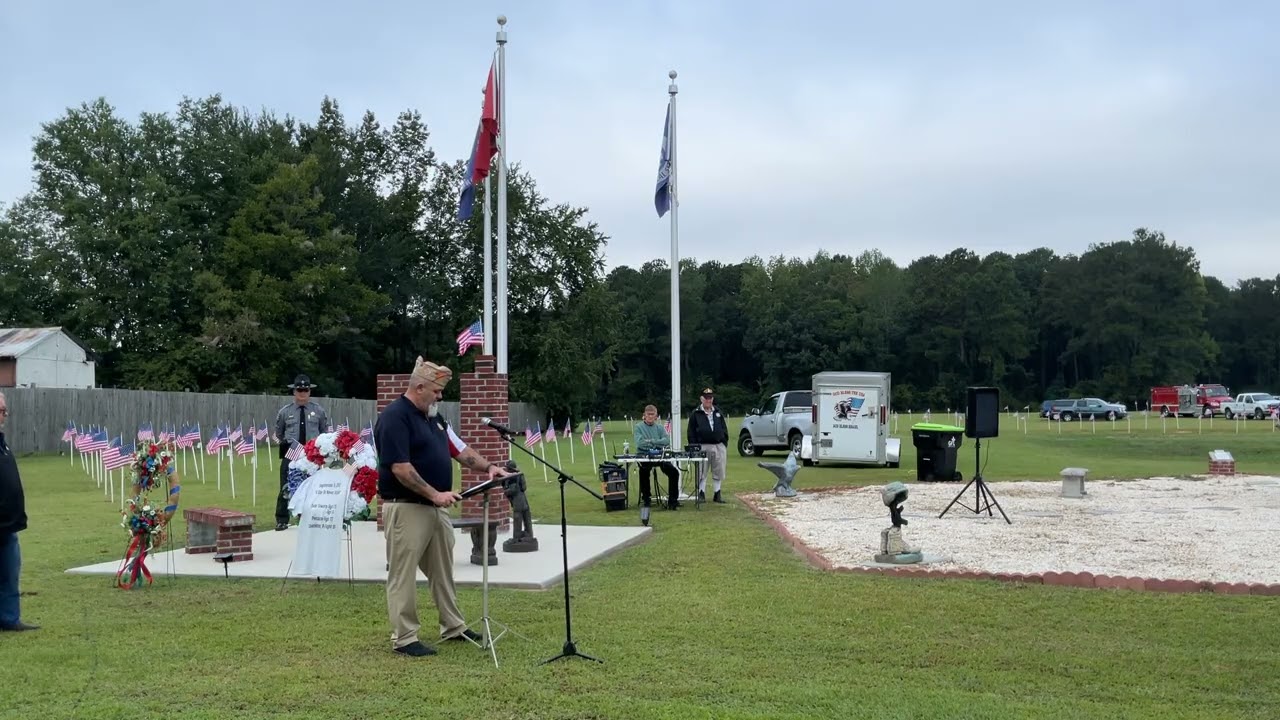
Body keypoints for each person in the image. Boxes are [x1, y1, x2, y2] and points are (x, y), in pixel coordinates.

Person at [375, 356, 512, 658]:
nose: (440, 397)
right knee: (403, 574)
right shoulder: (395, 417)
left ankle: (453, 626)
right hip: (407, 507)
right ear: (420, 387)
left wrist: (489, 467)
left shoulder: (435, 418)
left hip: (436, 510)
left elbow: (460, 450)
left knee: (443, 571)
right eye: (436, 391)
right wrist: (435, 494)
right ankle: (405, 637)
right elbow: (399, 468)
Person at [0, 392, 37, 631]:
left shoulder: (2, 442)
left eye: (5, 410)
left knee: (10, 574)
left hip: (8, 524)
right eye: (1, 410)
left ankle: (9, 619)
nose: (5, 414)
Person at [273, 374, 330, 531]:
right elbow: (279, 434)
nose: (302, 393)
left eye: (305, 390)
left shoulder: (318, 411)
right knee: (286, 484)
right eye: (299, 390)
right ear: (294, 392)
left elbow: (324, 433)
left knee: (313, 486)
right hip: (292, 451)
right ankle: (282, 519)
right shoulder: (285, 412)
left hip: (311, 454)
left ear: (309, 392)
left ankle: (310, 517)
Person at [634, 404, 681, 511]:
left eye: (652, 414)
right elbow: (640, 444)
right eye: (648, 414)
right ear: (644, 415)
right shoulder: (638, 427)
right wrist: (657, 443)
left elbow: (666, 441)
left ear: (656, 416)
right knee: (644, 472)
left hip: (660, 456)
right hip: (645, 456)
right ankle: (646, 499)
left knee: (674, 472)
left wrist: (651, 441)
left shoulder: (660, 428)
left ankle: (673, 501)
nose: (650, 417)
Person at [686, 387, 729, 504]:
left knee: (718, 470)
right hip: (702, 445)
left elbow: (724, 428)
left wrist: (724, 443)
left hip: (718, 445)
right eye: (706, 398)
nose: (708, 400)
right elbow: (691, 432)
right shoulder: (696, 414)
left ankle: (717, 493)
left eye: (710, 398)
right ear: (701, 399)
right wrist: (694, 446)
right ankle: (701, 493)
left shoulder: (718, 412)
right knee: (701, 471)